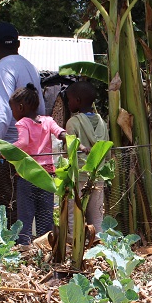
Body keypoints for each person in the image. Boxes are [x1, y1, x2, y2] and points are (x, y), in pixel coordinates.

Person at [0, 22, 44, 228]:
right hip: (23, 147)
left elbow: (1, 113)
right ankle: (20, 242)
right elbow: (40, 108)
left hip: (4, 146)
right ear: (18, 43)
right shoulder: (29, 66)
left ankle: (10, 245)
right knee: (18, 201)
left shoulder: (3, 68)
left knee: (2, 203)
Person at [0, 83, 65, 246]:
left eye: (13, 109)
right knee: (45, 214)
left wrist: (0, 153)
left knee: (25, 215)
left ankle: (25, 247)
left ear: (20, 107)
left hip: (27, 176)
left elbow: (23, 142)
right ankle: (46, 246)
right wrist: (73, 141)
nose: (13, 113)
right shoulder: (48, 121)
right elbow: (60, 133)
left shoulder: (23, 123)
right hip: (46, 176)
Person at [64, 80, 109, 235]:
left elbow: (69, 150)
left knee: (74, 215)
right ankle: (98, 247)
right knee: (97, 217)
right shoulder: (102, 123)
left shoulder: (73, 123)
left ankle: (75, 244)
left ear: (77, 100)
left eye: (69, 99)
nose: (68, 103)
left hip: (78, 177)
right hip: (98, 176)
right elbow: (107, 151)